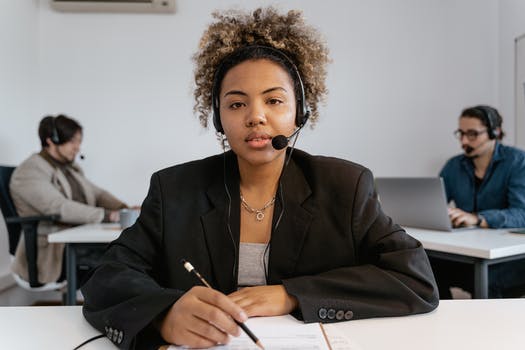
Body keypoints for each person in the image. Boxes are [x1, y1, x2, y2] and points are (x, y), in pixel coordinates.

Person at [81, 7, 439, 349]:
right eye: (237, 104)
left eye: (274, 101)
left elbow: (415, 279)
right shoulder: (175, 188)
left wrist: (292, 293)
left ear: (301, 112)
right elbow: (107, 277)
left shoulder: (345, 185)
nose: (256, 117)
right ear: (218, 119)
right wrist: (163, 314)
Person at [9, 114, 128, 285]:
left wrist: (123, 208)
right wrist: (108, 215)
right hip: (52, 251)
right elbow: (58, 207)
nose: (78, 147)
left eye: (79, 141)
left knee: (127, 251)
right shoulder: (29, 171)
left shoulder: (69, 168)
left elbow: (97, 194)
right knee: (120, 259)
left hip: (77, 239)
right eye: (73, 141)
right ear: (51, 140)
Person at [433, 105, 525, 298]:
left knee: (487, 280)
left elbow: (521, 213)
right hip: (469, 253)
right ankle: (445, 321)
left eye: (473, 134)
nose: (464, 141)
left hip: (507, 259)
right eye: (461, 133)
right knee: (425, 266)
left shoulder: (517, 162)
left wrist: (478, 219)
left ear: (495, 132)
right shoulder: (454, 165)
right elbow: (435, 202)